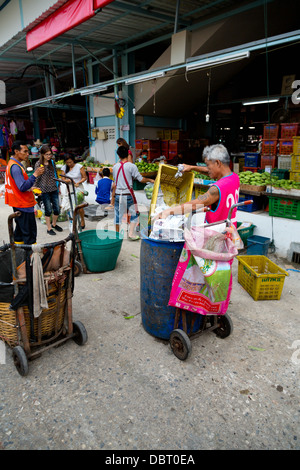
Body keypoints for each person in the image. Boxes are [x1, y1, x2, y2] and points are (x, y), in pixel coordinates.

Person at [156, 144, 240, 227]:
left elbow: (193, 205)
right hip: (230, 230)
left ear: (218, 163)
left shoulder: (216, 189)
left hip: (216, 235)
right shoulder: (234, 177)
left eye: (208, 165)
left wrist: (167, 212)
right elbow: (211, 171)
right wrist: (191, 167)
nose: (207, 168)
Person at [5, 140, 44, 244]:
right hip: (23, 204)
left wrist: (31, 188)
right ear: (16, 151)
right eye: (25, 151)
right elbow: (22, 187)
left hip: (18, 202)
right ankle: (30, 258)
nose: (28, 154)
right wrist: (35, 175)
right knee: (30, 235)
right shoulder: (15, 167)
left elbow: (17, 185)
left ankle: (18, 255)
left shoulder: (12, 164)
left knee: (20, 233)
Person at [112, 145, 155, 240]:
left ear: (118, 156)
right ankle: (131, 234)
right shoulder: (132, 166)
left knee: (118, 215)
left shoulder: (115, 167)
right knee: (134, 214)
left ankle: (117, 235)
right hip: (128, 195)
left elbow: (115, 182)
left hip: (118, 195)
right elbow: (141, 179)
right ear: (128, 154)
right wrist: (151, 180)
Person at [34, 145, 62, 236]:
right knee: (48, 210)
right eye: (47, 154)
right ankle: (49, 228)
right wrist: (35, 189)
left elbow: (56, 175)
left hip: (54, 188)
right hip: (44, 190)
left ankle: (54, 224)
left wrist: (59, 186)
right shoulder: (38, 164)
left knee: (57, 209)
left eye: (50, 154)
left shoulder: (52, 162)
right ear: (42, 154)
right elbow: (36, 177)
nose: (49, 156)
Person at [60, 154, 87, 229]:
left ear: (73, 160)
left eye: (70, 162)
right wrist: (67, 181)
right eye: (67, 162)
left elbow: (84, 177)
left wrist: (78, 182)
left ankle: (82, 220)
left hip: (78, 188)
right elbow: (62, 179)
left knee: (80, 205)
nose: (69, 164)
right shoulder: (64, 168)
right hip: (69, 188)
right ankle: (73, 221)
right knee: (71, 206)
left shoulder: (79, 166)